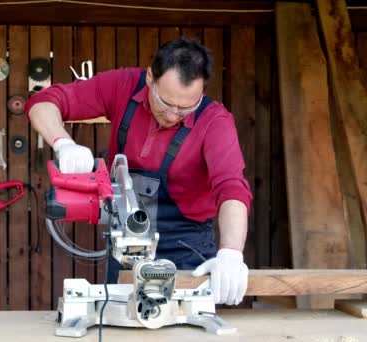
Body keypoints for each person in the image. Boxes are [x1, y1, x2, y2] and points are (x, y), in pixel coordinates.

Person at [26, 37, 253, 306]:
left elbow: (231, 189)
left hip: (185, 246)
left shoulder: (215, 120)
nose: (172, 115)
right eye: (166, 103)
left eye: (185, 108)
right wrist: (63, 143)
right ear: (149, 78)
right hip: (125, 243)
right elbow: (43, 102)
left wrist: (231, 253)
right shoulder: (123, 85)